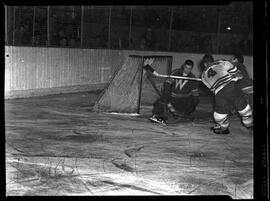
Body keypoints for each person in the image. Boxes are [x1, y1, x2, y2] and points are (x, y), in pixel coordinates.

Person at [201, 59, 253, 134]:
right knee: (242, 106)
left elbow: (212, 89)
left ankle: (224, 128)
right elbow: (239, 75)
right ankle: (249, 124)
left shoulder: (203, 76)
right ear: (212, 60)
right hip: (231, 86)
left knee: (220, 113)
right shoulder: (220, 62)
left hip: (219, 93)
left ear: (204, 64)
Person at [145, 59, 199, 124]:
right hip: (172, 98)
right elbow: (168, 83)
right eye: (186, 68)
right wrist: (166, 94)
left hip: (183, 100)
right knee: (161, 101)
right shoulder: (176, 73)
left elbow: (195, 95)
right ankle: (159, 116)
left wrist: (192, 107)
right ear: (183, 66)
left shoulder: (192, 78)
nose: (187, 70)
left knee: (183, 110)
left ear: (191, 69)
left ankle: (175, 114)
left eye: (189, 68)